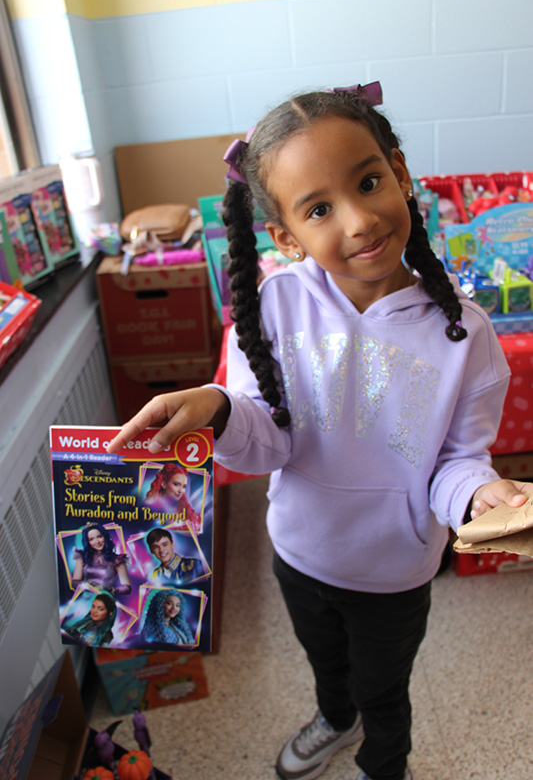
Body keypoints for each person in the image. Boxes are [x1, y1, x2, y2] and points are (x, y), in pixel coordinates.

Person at [107, 81, 533, 780]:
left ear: (398, 172)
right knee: (326, 667)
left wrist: (479, 497)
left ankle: (382, 762)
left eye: (368, 182)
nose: (360, 220)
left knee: (384, 691)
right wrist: (216, 407)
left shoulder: (466, 335)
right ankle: (334, 720)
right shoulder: (274, 307)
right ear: (284, 235)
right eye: (319, 209)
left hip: (395, 570)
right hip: (300, 552)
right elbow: (266, 437)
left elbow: (457, 462)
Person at [72, 522, 131, 595]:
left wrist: (110, 590)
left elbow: (127, 588)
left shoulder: (117, 560)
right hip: (86, 601)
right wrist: (90, 587)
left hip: (105, 601)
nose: (97, 542)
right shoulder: (82, 557)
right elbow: (75, 583)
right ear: (87, 542)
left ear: (105, 536)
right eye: (91, 539)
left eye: (99, 536)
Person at [143, 463, 201, 531]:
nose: (180, 490)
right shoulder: (148, 508)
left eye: (184, 486)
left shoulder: (187, 512)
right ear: (164, 484)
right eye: (176, 484)